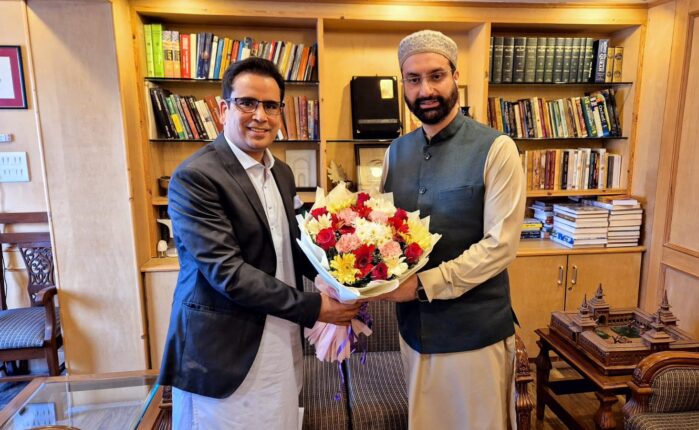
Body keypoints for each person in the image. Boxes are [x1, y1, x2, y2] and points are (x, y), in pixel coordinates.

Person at [158, 57, 360, 430]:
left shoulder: (280, 172)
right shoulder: (195, 177)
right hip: (223, 352)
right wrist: (317, 307)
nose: (260, 116)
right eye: (247, 103)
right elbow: (228, 273)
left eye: (271, 105)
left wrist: (344, 277)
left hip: (280, 338)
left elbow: (296, 243)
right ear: (224, 109)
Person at [379, 30, 526, 429]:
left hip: (474, 334)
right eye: (413, 79)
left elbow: (500, 246)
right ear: (403, 84)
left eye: (436, 76)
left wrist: (423, 285)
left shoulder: (496, 148)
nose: (425, 90)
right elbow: (383, 234)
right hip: (413, 332)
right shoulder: (396, 152)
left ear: (455, 76)